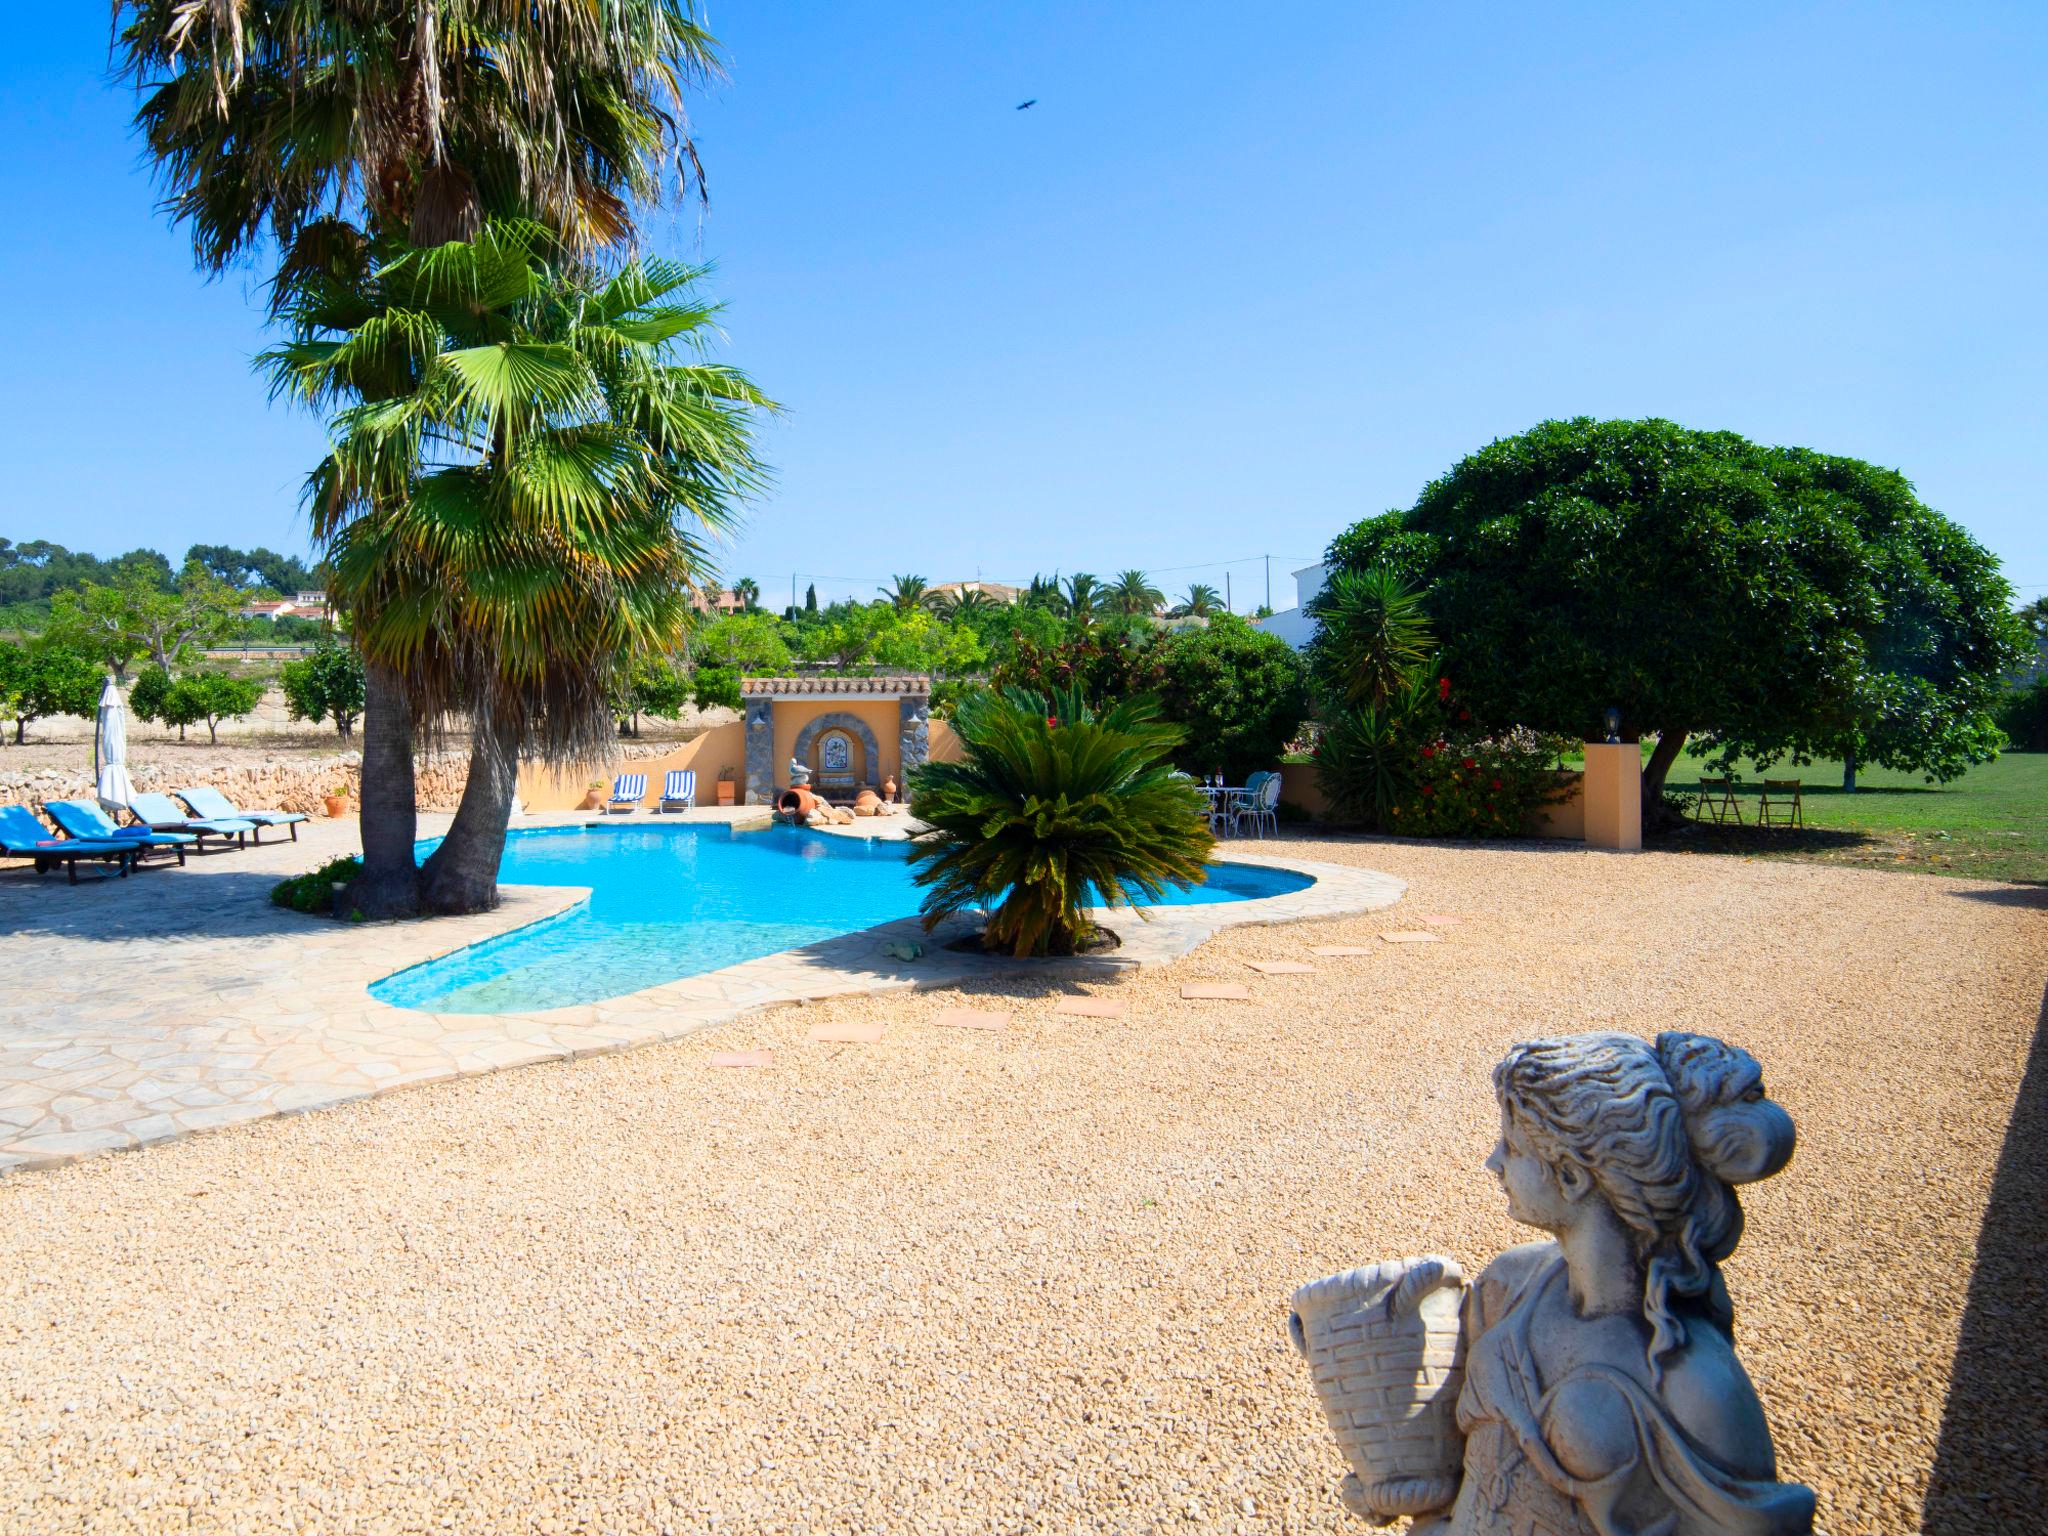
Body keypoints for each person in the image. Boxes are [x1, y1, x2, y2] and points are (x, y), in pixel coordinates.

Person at [1420, 1032, 1816, 1536]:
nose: (1493, 1163)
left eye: (1512, 1147)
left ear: (1571, 1176)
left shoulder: (1698, 1388)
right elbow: (1453, 1472)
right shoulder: (1509, 1283)